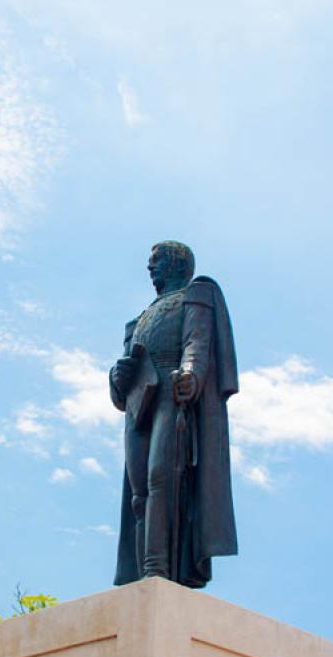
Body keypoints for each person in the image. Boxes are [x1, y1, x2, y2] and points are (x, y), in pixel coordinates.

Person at [109, 241, 238, 588]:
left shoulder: (195, 295)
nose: (150, 268)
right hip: (139, 399)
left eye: (156, 261)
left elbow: (197, 342)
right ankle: (140, 574)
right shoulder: (139, 320)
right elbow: (123, 372)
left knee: (160, 478)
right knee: (139, 493)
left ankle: (156, 570)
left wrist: (191, 374)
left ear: (177, 263)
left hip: (170, 390)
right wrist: (115, 377)